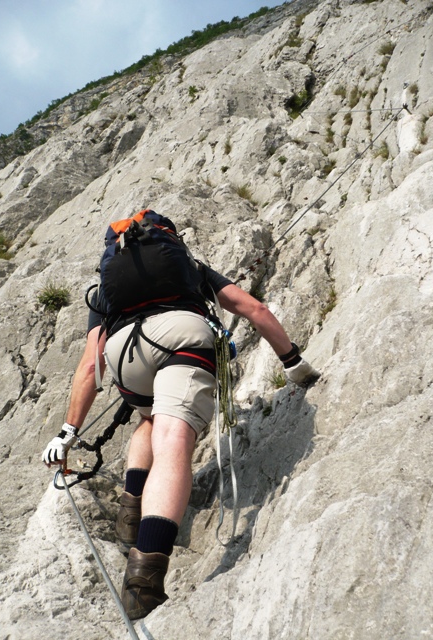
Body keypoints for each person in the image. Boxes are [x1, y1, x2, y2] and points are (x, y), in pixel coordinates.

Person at [41, 211, 320, 621]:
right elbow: (253, 309)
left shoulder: (106, 291)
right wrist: (292, 362)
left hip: (125, 355)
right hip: (182, 335)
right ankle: (144, 581)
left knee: (149, 419)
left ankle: (130, 512)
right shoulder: (188, 267)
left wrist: (67, 433)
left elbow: (89, 366)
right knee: (173, 440)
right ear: (168, 237)